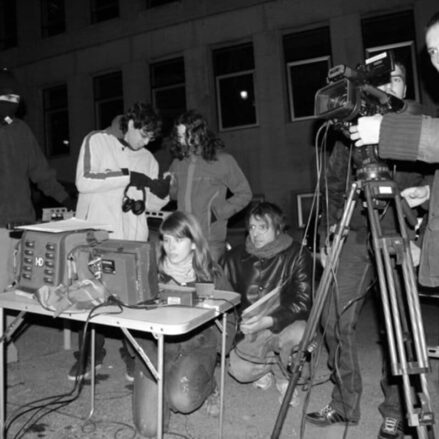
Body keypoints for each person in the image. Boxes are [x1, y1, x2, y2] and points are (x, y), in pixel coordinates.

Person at [306, 62, 429, 439]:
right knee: (332, 316)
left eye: (393, 79)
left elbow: (434, 178)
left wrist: (423, 219)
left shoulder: (420, 122)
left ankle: (397, 409)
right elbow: (334, 183)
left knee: (400, 326)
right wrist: (329, 232)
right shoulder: (354, 128)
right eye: (380, 81)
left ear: (405, 85)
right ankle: (345, 403)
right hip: (357, 233)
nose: (386, 87)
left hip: (400, 231)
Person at [69, 102, 170, 381]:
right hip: (97, 236)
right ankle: (89, 356)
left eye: (152, 138)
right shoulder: (98, 140)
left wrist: (163, 192)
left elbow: (150, 202)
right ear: (131, 124)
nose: (147, 142)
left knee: (132, 300)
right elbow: (84, 181)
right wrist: (128, 177)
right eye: (144, 134)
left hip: (131, 238)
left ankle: (132, 356)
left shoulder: (148, 158)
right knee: (90, 298)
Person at [132, 211, 236, 438]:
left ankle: (209, 386)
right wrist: (137, 351)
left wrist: (221, 350)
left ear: (193, 243)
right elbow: (129, 315)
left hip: (196, 347)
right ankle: (165, 383)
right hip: (154, 348)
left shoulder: (210, 273)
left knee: (182, 399)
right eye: (167, 240)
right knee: (148, 429)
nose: (171, 247)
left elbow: (231, 312)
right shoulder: (150, 272)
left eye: (179, 240)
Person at [221, 201, 313, 405]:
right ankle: (267, 368)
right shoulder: (232, 258)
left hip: (285, 324)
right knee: (239, 371)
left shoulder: (297, 254)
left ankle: (283, 377)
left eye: (263, 227)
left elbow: (303, 302)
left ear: (278, 228)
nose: (256, 233)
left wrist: (270, 320)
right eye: (252, 227)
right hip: (252, 330)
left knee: (301, 333)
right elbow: (222, 299)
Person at [0, 67, 75, 294]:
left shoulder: (20, 130)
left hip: (23, 224)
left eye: (15, 98)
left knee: (18, 286)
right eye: (5, 97)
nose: (10, 103)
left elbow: (41, 172)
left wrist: (66, 198)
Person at [168, 110, 252, 261]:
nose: (180, 140)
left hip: (211, 240)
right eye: (178, 136)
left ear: (198, 134)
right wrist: (169, 184)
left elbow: (245, 193)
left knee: (209, 284)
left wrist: (218, 213)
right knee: (185, 283)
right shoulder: (177, 163)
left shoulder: (223, 161)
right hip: (183, 239)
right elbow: (174, 196)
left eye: (184, 136)